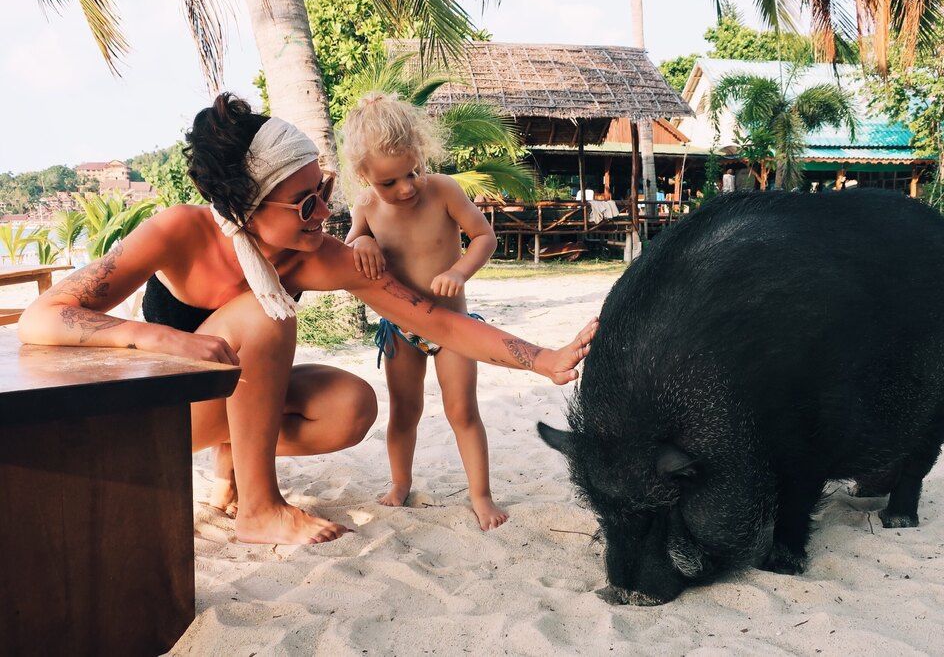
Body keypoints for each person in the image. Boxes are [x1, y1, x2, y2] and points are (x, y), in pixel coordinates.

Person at [18, 93, 597, 546]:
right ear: (247, 203)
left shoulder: (314, 256)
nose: (325, 210)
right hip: (158, 415)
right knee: (266, 318)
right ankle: (259, 508)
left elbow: (435, 322)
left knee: (352, 407)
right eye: (304, 202)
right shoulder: (180, 231)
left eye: (321, 191)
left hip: (222, 403)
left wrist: (543, 359)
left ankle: (233, 456)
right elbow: (42, 317)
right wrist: (157, 337)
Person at [340, 91, 512, 529]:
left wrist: (459, 272)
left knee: (462, 411)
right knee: (405, 411)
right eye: (389, 182)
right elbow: (351, 245)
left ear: (422, 154)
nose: (405, 187)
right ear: (364, 176)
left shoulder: (443, 191)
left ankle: (481, 494)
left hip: (454, 327)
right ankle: (400, 483)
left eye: (412, 172)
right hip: (401, 329)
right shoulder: (365, 206)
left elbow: (484, 237)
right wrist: (361, 241)